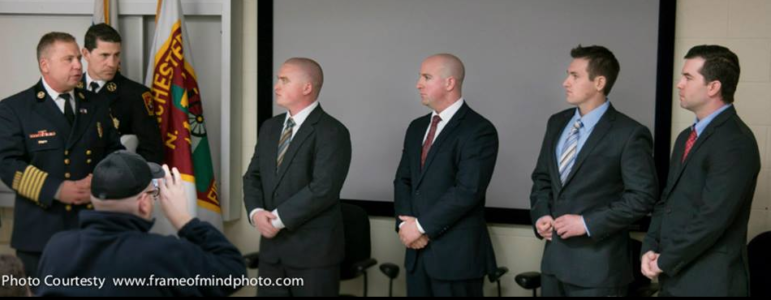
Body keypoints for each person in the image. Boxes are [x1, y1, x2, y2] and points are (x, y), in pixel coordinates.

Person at [529, 45, 658, 297]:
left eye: (574, 76)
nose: (565, 82)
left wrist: (587, 223)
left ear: (599, 82)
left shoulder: (630, 133)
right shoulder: (556, 122)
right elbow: (542, 178)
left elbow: (642, 197)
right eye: (568, 74)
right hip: (553, 266)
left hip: (599, 271)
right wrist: (541, 213)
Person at [36, 151, 246, 296]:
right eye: (153, 193)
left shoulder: (57, 248)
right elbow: (233, 272)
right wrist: (184, 220)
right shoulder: (161, 253)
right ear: (144, 203)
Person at [0, 32, 123, 279]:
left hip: (92, 228)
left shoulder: (97, 103)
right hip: (41, 232)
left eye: (78, 58)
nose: (78, 65)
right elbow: (7, 164)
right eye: (69, 59)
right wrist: (56, 189)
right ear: (45, 65)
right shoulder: (14, 109)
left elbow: (115, 151)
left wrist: (100, 180)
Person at [641, 45, 760, 297]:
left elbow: (712, 218)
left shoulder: (735, 141)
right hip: (674, 278)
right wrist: (649, 248)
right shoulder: (686, 137)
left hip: (710, 282)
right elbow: (666, 201)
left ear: (713, 87)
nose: (679, 84)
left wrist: (664, 261)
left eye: (688, 77)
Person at [243, 57, 352, 296]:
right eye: (277, 79)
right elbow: (253, 176)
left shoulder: (333, 131)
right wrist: (255, 213)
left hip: (313, 255)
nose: (276, 86)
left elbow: (323, 188)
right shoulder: (270, 127)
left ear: (307, 87)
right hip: (271, 253)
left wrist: (276, 221)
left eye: (284, 80)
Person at [393, 53, 498, 297]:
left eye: (426, 77)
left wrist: (420, 227)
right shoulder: (416, 127)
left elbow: (467, 190)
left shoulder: (479, 130)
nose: (418, 84)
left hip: (456, 259)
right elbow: (404, 180)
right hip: (416, 255)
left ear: (450, 83)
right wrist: (405, 226)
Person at [80, 23, 164, 164]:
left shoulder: (135, 94)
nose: (112, 63)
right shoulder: (69, 89)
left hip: (116, 173)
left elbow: (152, 151)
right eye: (104, 55)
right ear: (86, 54)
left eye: (116, 55)